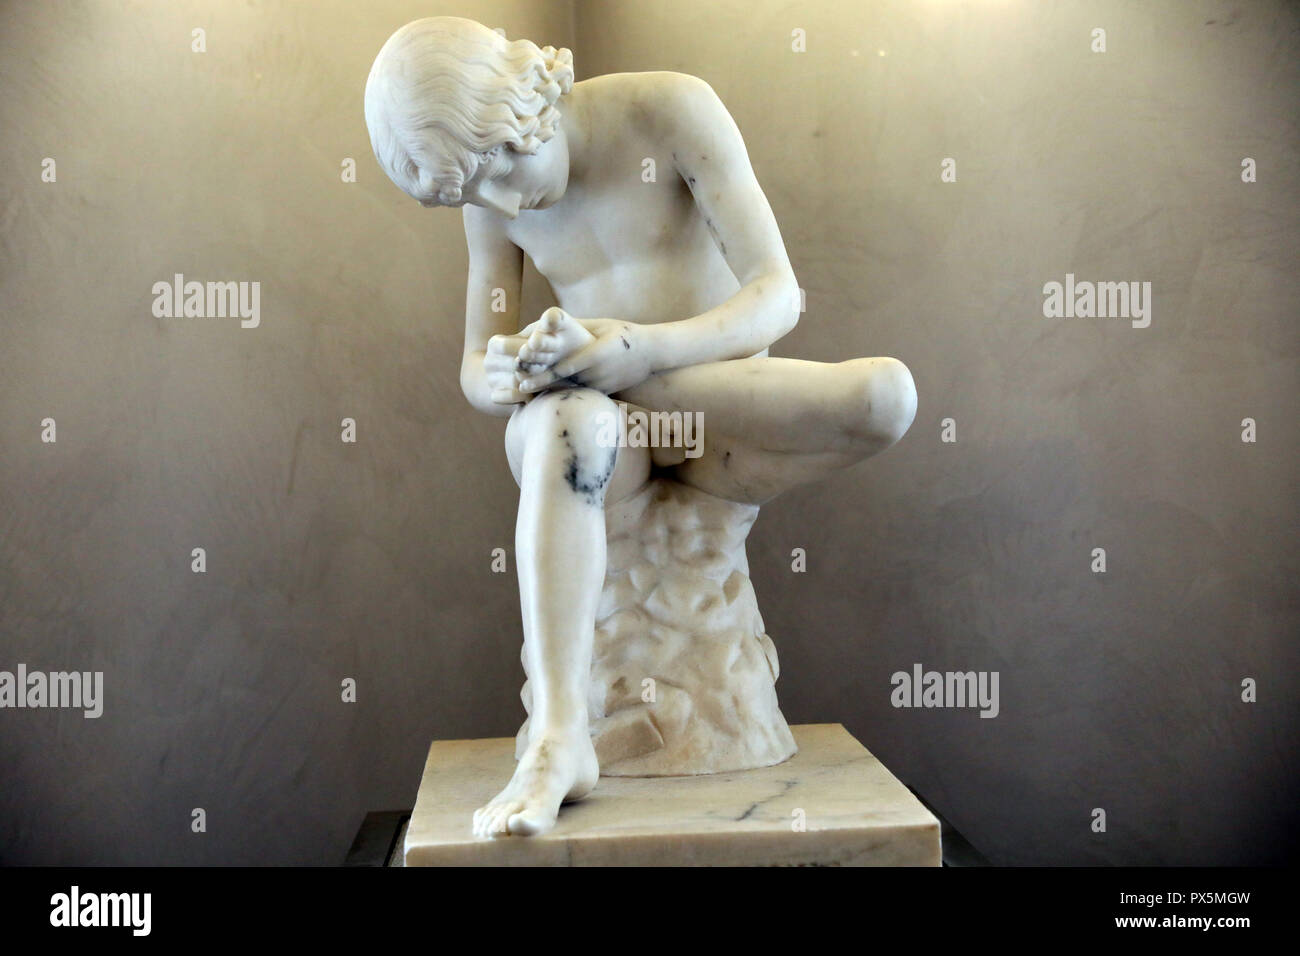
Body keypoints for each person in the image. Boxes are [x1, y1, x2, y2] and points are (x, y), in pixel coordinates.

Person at [365, 16, 917, 837]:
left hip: (715, 411)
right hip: (598, 435)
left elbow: (775, 296)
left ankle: (602, 388)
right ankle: (559, 739)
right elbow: (477, 358)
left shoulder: (671, 111)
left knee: (887, 397)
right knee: (568, 424)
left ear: (529, 97)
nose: (506, 201)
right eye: (476, 192)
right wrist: (509, 371)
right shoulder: (489, 193)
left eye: (505, 168)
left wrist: (638, 351)